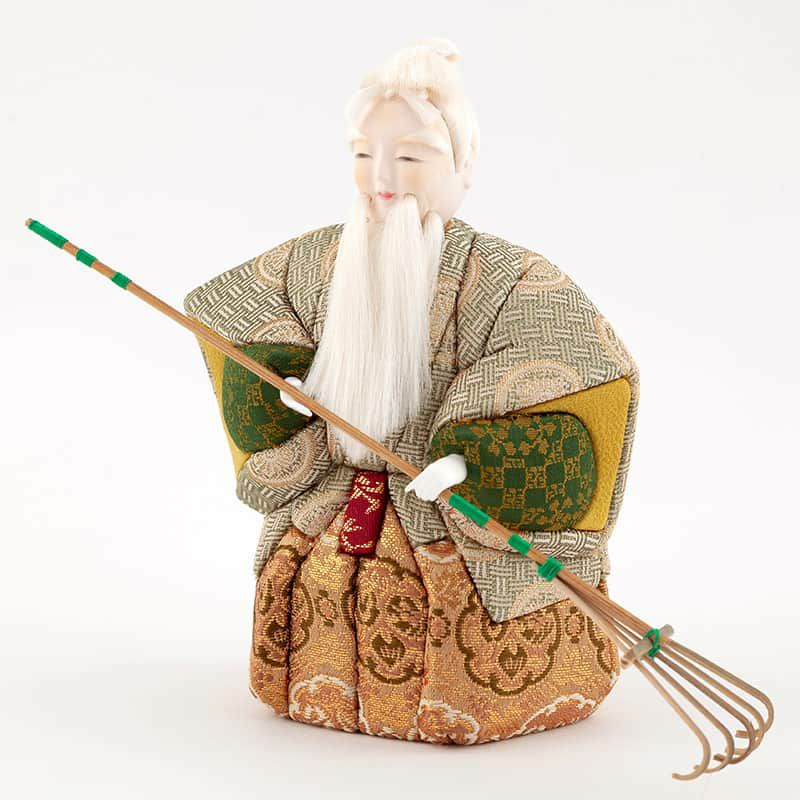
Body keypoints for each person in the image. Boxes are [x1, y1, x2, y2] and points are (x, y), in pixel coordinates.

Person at [184, 38, 639, 743]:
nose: (383, 179)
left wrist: (473, 460)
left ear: (465, 165)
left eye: (413, 156)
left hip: (449, 510)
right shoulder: (316, 262)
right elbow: (236, 317)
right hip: (337, 496)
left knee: (464, 611)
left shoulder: (514, 281)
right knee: (310, 580)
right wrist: (283, 385)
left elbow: (581, 373)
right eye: (364, 153)